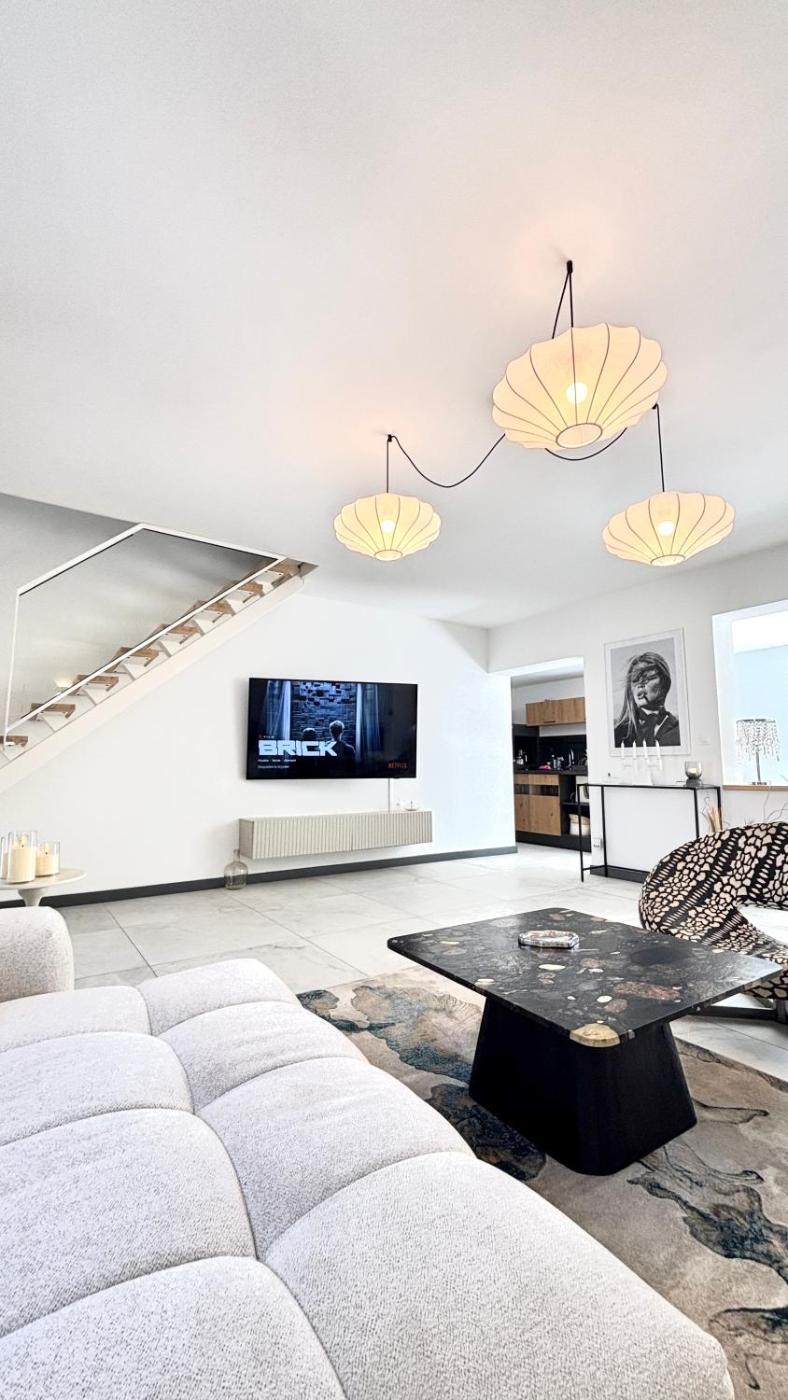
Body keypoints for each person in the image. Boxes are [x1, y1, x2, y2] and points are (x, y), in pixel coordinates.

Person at [614, 651, 681, 747]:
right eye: (635, 680)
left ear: (664, 684)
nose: (640, 684)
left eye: (647, 678)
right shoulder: (619, 734)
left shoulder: (679, 731)